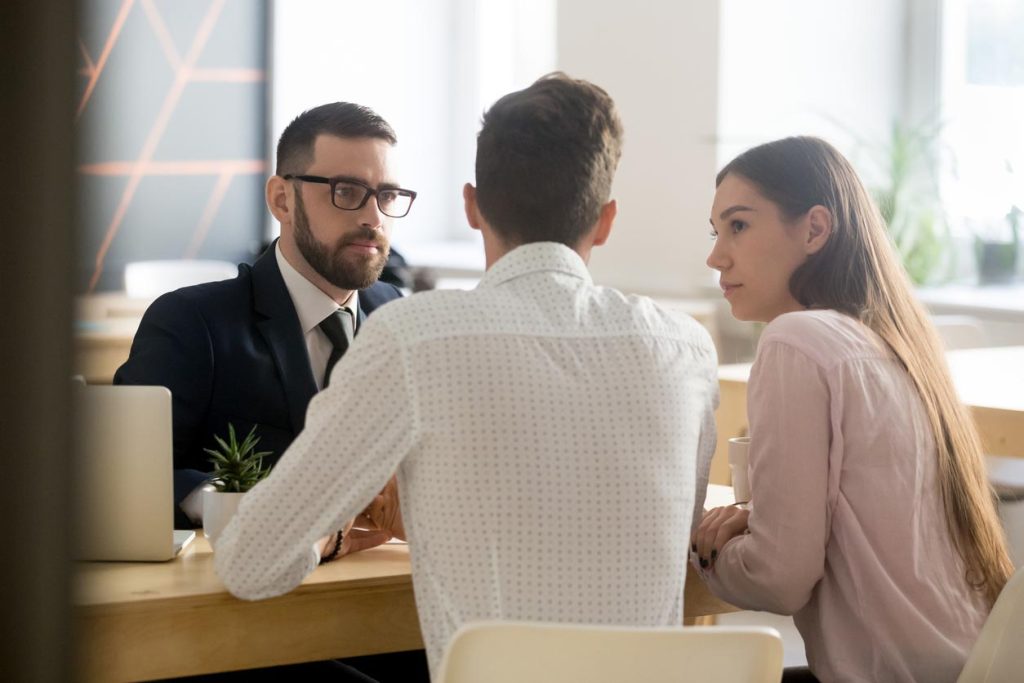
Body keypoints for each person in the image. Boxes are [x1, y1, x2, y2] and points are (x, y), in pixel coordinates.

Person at [213, 72, 719, 680]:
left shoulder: (412, 340)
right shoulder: (686, 348)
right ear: (605, 220)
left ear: (472, 206)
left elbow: (250, 562)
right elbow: (675, 546)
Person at [693, 136, 1013, 683]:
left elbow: (779, 578)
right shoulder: (894, 341)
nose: (716, 255)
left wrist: (705, 549)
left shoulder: (795, 340)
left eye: (739, 226)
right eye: (716, 232)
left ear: (816, 229)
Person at [114, 102, 409, 532]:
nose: (373, 218)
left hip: (378, 581)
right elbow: (125, 473)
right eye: (346, 191)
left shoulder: (398, 317)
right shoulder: (191, 323)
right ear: (281, 200)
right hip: (236, 589)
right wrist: (232, 505)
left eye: (387, 196)